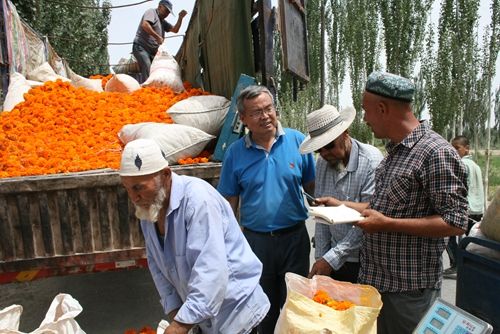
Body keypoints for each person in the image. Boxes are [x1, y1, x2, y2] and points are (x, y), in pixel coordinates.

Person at [119, 138, 270, 334]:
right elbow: (158, 266)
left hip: (237, 316)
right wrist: (176, 314)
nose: (133, 197)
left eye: (139, 187)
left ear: (165, 175)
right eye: (127, 188)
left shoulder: (198, 201)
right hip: (204, 319)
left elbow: (211, 272)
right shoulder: (149, 209)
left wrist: (180, 326)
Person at [358, 71, 468, 334]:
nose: (365, 119)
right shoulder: (395, 152)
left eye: (366, 111)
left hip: (408, 293)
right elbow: (381, 210)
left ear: (383, 108)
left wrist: (388, 224)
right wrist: (340, 205)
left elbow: (455, 221)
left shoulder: (435, 153)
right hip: (378, 284)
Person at [217, 85, 316, 333]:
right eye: (256, 112)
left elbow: (314, 189)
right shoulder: (236, 153)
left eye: (268, 109)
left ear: (275, 109)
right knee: (263, 310)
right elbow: (228, 202)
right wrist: (228, 245)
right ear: (243, 119)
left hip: (294, 239)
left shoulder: (297, 142)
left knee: (296, 307)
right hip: (255, 243)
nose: (265, 116)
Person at [299, 104, 383, 283]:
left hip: (366, 259)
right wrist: (321, 257)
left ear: (345, 132)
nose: (324, 153)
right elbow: (321, 217)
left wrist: (330, 259)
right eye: (319, 150)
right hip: (334, 257)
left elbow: (368, 219)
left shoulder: (371, 160)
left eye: (329, 146)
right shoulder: (322, 162)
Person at [443, 135, 485, 278]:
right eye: (452, 148)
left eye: (457, 148)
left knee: (448, 236)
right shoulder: (476, 165)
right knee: (473, 240)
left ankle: (456, 265)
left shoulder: (462, 164)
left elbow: (461, 188)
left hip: (467, 207)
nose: (454, 151)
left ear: (466, 149)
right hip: (477, 208)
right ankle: (473, 265)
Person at [132, 0, 187, 82]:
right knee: (147, 67)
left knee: (159, 70)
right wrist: (157, 37)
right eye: (166, 11)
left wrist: (180, 18)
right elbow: (145, 24)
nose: (167, 14)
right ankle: (147, 91)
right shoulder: (151, 12)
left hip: (152, 52)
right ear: (160, 6)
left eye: (169, 12)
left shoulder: (163, 22)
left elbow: (175, 30)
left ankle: (154, 88)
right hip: (141, 47)